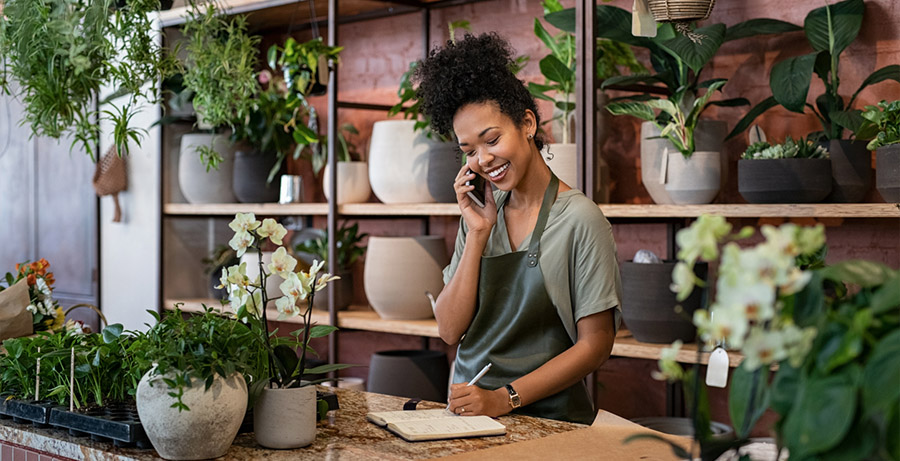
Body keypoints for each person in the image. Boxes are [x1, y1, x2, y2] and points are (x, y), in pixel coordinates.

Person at [416, 33, 623, 425]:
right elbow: (448, 329)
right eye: (469, 151)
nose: (483, 159)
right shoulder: (479, 216)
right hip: (470, 416)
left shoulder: (580, 219)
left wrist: (504, 398)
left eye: (492, 140)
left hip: (549, 421)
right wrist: (478, 234)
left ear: (527, 123)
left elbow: (596, 345)